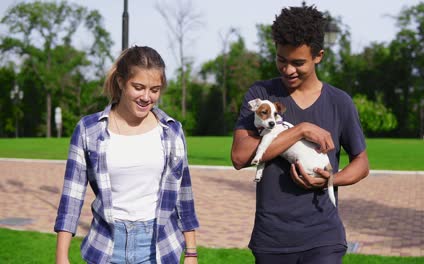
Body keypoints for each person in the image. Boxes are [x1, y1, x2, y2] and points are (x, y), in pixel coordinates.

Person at [231, 5, 369, 264]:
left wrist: (331, 180)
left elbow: (362, 163)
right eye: (281, 60)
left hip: (324, 238)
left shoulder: (340, 102)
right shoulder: (260, 95)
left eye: (298, 63)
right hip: (271, 239)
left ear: (319, 56)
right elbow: (240, 157)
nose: (288, 70)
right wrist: (300, 130)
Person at [54, 46, 199, 264]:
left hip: (158, 249)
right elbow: (71, 198)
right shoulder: (89, 129)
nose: (147, 97)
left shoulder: (172, 131)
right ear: (121, 82)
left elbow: (184, 195)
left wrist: (191, 252)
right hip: (106, 248)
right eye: (138, 87)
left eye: (155, 89)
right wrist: (61, 256)